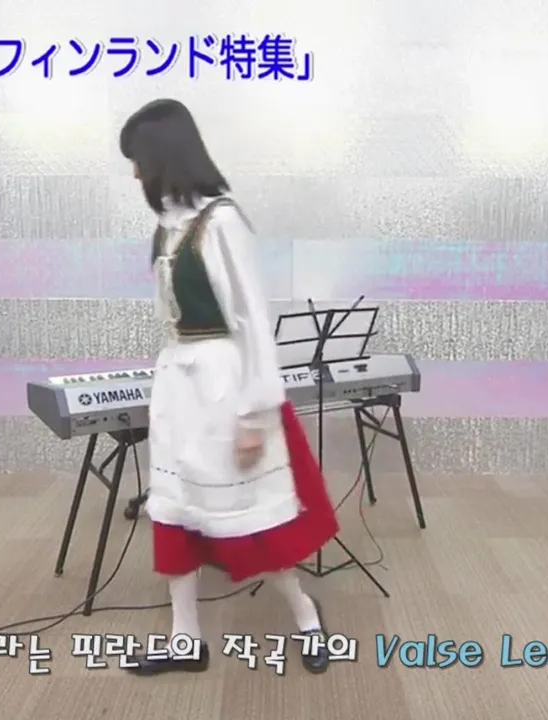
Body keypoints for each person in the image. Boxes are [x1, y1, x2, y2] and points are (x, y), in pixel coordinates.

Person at [118, 98, 340, 676]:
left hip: (224, 387)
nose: (134, 173)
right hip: (179, 390)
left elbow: (254, 322)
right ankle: (184, 640)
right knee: (175, 513)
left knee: (251, 519)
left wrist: (254, 417)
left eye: (137, 159)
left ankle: (307, 615)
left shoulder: (221, 223)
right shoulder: (167, 229)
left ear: (161, 156)